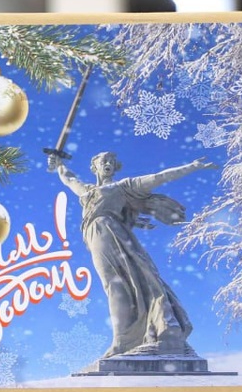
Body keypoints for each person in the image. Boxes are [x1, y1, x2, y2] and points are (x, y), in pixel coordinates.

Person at [48, 151, 216, 359]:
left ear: (115, 167)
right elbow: (69, 178)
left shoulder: (123, 187)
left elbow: (159, 177)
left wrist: (192, 166)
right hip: (95, 235)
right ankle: (128, 337)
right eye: (103, 161)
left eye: (111, 161)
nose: (108, 164)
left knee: (117, 284)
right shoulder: (87, 191)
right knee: (116, 284)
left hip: (109, 232)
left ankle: (122, 340)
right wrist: (59, 164)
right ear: (95, 167)